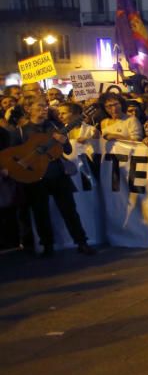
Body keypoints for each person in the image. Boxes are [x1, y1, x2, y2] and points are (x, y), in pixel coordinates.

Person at [13, 98, 96, 257]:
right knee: (41, 213)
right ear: (28, 108)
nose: (44, 109)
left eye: (45, 107)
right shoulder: (21, 132)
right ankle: (48, 246)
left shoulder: (54, 126)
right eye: (39, 106)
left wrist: (64, 141)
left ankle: (81, 242)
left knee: (70, 211)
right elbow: (14, 156)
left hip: (57, 174)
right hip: (36, 178)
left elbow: (67, 149)